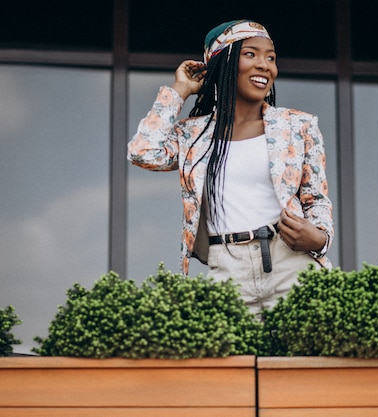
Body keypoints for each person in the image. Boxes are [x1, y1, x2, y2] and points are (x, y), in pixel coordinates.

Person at [127, 19, 333, 316]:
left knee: (301, 361)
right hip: (227, 266)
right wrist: (179, 90)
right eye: (251, 54)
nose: (264, 65)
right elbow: (142, 152)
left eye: (271, 57)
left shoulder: (298, 126)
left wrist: (320, 238)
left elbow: (316, 199)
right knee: (230, 361)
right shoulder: (194, 135)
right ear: (224, 62)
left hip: (290, 260)